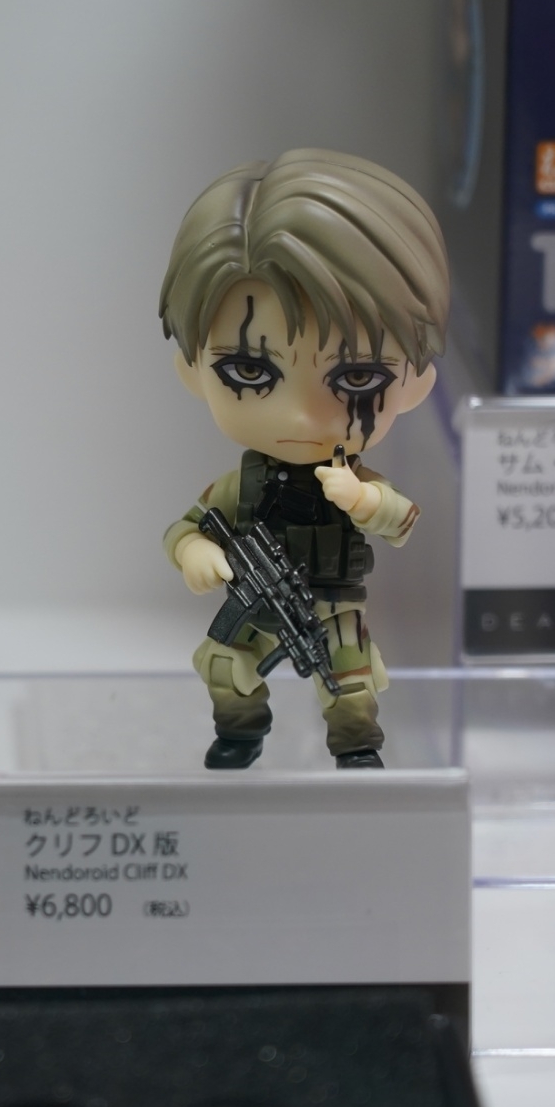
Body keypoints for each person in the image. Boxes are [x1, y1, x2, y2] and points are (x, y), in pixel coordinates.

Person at [157, 151, 450, 770]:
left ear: (416, 383)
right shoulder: (246, 484)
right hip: (257, 598)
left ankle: (357, 750)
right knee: (223, 664)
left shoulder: (350, 477)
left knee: (350, 682)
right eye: (250, 371)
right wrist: (195, 553)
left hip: (333, 601)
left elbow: (402, 520)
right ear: (192, 369)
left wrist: (363, 499)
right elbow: (184, 527)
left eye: (357, 377)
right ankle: (241, 735)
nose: (299, 417)